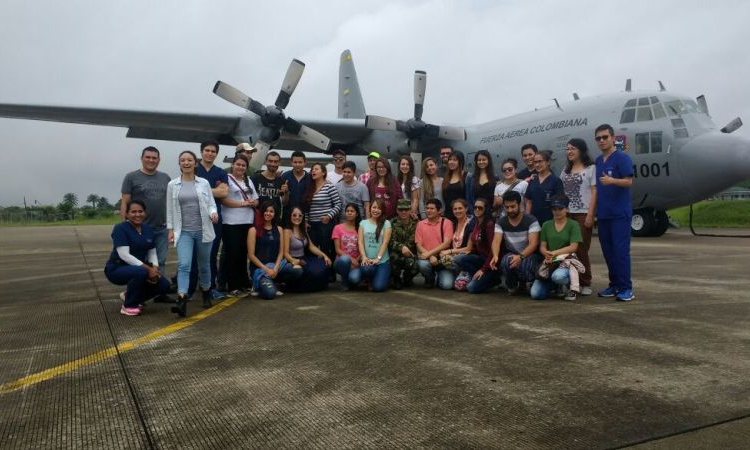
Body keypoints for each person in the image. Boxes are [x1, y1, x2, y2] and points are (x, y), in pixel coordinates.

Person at [167, 150, 219, 317]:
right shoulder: (172, 185)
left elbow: (211, 203)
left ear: (195, 163)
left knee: (204, 265)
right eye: (183, 160)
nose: (186, 163)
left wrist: (213, 213)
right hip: (184, 232)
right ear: (179, 163)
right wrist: (170, 229)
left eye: (189, 160)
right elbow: (169, 209)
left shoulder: (203, 183)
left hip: (204, 230)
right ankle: (182, 299)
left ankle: (205, 291)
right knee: (184, 265)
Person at [105, 200, 171, 316]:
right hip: (117, 268)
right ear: (127, 214)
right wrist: (148, 269)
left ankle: (130, 296)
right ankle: (128, 306)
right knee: (140, 272)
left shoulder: (147, 229)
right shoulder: (120, 228)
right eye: (133, 212)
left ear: (145, 213)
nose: (137, 214)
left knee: (164, 285)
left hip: (139, 268)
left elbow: (152, 251)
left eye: (140, 211)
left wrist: (154, 268)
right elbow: (124, 255)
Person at [120, 146, 171, 293]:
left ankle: (159, 291)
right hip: (139, 229)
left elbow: (168, 202)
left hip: (161, 227)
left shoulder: (165, 177)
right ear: (142, 158)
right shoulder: (131, 177)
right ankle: (134, 292)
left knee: (160, 261)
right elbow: (125, 201)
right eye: (148, 157)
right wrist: (125, 225)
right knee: (138, 263)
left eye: (154, 158)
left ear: (159, 160)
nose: (151, 160)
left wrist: (170, 226)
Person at [594, 123, 635, 301]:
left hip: (619, 214)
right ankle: (614, 284)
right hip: (603, 214)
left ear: (612, 138)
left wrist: (612, 180)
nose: (602, 140)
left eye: (605, 137)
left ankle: (626, 288)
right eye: (598, 138)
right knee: (608, 252)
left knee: (620, 251)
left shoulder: (622, 158)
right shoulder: (598, 161)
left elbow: (629, 181)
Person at [560, 138, 597, 296]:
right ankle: (570, 281)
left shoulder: (591, 168)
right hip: (567, 214)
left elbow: (595, 192)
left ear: (581, 150)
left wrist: (591, 214)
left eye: (573, 148)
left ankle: (585, 281)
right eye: (567, 149)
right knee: (567, 249)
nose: (569, 151)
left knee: (581, 249)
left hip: (583, 213)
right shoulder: (565, 171)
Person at [530, 195, 583, 301]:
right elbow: (542, 246)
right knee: (535, 294)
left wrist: (554, 253)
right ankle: (555, 286)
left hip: (566, 260)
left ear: (567, 209)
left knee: (558, 277)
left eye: (560, 208)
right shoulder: (546, 225)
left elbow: (573, 247)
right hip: (550, 261)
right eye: (554, 209)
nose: (557, 211)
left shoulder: (573, 224)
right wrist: (546, 253)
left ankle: (567, 286)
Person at [490, 190, 543, 295]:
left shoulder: (531, 220)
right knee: (505, 261)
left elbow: (534, 244)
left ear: (519, 204)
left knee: (524, 265)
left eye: (513, 206)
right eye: (507, 207)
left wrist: (521, 257)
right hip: (512, 253)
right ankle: (512, 285)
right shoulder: (501, 222)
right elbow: (496, 241)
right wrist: (495, 255)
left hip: (530, 255)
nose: (510, 210)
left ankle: (529, 283)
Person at [195, 140, 229, 300]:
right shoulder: (193, 168)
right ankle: (190, 287)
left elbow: (223, 193)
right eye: (207, 150)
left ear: (216, 154)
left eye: (213, 151)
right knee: (193, 253)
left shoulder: (221, 172)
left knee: (212, 253)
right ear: (201, 152)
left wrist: (201, 189)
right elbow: (188, 189)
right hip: (194, 217)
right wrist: (214, 190)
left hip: (214, 219)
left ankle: (211, 287)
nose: (210, 153)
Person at [221, 154, 258, 296]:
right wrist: (243, 203)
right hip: (231, 222)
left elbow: (256, 200)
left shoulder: (248, 180)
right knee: (233, 254)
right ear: (233, 165)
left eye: (243, 165)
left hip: (247, 222)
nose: (240, 167)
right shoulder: (227, 179)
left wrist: (252, 202)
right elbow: (224, 200)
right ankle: (232, 286)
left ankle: (243, 282)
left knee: (244, 253)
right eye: (238, 164)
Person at [453, 197, 498, 293]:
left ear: (486, 209)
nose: (477, 209)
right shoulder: (476, 222)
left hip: (490, 262)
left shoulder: (489, 224)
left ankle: (493, 279)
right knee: (458, 258)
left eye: (480, 208)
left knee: (471, 288)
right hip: (481, 258)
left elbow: (493, 250)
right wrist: (469, 252)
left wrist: (483, 269)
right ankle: (476, 276)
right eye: (475, 207)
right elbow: (477, 245)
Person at [303, 163, 342, 270]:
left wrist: (329, 216)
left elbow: (338, 204)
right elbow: (306, 207)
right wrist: (306, 221)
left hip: (326, 224)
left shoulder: (329, 186)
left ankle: (330, 274)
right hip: (312, 225)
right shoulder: (309, 187)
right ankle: (314, 272)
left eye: (316, 169)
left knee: (327, 249)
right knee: (311, 249)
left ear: (323, 172)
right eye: (312, 170)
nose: (313, 171)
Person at [247, 201, 289, 300]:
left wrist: (275, 268)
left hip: (275, 267)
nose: (268, 213)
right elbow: (251, 255)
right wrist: (267, 270)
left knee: (297, 270)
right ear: (261, 212)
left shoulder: (279, 229)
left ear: (275, 214)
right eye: (266, 211)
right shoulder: (253, 230)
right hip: (260, 269)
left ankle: (273, 282)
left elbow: (281, 252)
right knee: (270, 294)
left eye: (271, 211)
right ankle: (260, 285)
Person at [283, 206, 330, 292]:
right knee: (309, 274)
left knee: (322, 267)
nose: (297, 217)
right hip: (292, 260)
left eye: (300, 215)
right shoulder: (287, 231)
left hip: (304, 258)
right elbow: (285, 253)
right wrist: (294, 261)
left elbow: (311, 246)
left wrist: (325, 256)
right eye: (294, 215)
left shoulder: (303, 229)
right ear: (290, 216)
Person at [415, 198, 454, 289]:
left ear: (439, 210)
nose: (428, 210)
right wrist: (430, 256)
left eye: (432, 208)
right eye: (427, 208)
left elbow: (446, 244)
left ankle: (439, 276)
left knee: (447, 285)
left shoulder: (447, 223)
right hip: (427, 259)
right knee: (422, 265)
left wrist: (429, 253)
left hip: (442, 260)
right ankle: (430, 278)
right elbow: (418, 244)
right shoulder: (420, 224)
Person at [358, 199, 392, 292]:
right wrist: (364, 257)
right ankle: (369, 280)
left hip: (382, 261)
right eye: (374, 207)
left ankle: (383, 278)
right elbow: (360, 242)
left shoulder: (386, 223)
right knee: (366, 270)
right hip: (368, 260)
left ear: (383, 211)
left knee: (379, 287)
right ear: (370, 208)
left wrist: (378, 258)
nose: (376, 210)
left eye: (379, 208)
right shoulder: (363, 223)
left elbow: (385, 242)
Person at [439, 199, 475, 287]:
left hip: (465, 257)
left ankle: (466, 273)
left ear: (466, 209)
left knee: (460, 286)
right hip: (453, 260)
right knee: (446, 285)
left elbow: (469, 248)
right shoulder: (452, 224)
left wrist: (450, 251)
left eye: (460, 208)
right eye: (455, 209)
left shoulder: (472, 224)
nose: (457, 211)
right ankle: (455, 275)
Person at [525, 150, 563, 226]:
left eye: (540, 161)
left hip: (551, 222)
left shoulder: (556, 181)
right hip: (534, 221)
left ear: (548, 162)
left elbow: (560, 203)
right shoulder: (533, 180)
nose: (537, 164)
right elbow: (529, 201)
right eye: (535, 162)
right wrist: (527, 218)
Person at [389, 198, 419, 289]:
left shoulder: (417, 223)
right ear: (397, 210)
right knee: (393, 257)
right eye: (401, 210)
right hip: (396, 253)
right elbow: (389, 240)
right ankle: (396, 278)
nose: (403, 212)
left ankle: (407, 278)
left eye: (406, 209)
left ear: (410, 210)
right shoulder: (391, 223)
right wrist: (401, 247)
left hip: (412, 253)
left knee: (418, 264)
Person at [251, 150, 289, 222]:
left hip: (274, 220)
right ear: (266, 161)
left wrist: (286, 193)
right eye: (270, 161)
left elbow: (284, 203)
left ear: (279, 163)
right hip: (258, 219)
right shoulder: (255, 178)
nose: (273, 164)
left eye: (275, 161)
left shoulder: (281, 181)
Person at [332, 203, 362, 290]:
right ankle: (344, 282)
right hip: (341, 262)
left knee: (354, 279)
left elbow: (363, 248)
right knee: (345, 259)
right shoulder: (337, 228)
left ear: (357, 214)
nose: (349, 213)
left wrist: (356, 261)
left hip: (356, 263)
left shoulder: (360, 228)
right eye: (347, 211)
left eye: (352, 211)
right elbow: (337, 250)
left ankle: (351, 279)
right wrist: (351, 259)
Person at [441, 151, 469, 222]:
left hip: (462, 215)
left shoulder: (467, 176)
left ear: (460, 162)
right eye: (450, 160)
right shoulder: (446, 177)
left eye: (454, 160)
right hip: (448, 215)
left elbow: (469, 197)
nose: (451, 162)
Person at [397, 155, 422, 220]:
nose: (405, 166)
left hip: (410, 214)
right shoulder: (397, 180)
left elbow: (415, 200)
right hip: (399, 213)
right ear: (399, 166)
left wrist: (410, 213)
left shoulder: (414, 179)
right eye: (403, 164)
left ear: (411, 167)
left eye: (407, 164)